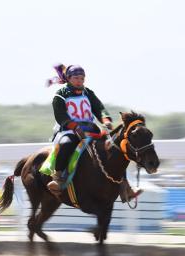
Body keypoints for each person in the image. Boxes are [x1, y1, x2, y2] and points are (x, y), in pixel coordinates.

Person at [46, 63, 142, 202]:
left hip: (91, 128)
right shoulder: (60, 95)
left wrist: (106, 119)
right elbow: (61, 116)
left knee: (115, 150)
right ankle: (59, 178)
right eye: (77, 78)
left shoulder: (88, 92)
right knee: (66, 145)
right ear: (69, 78)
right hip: (69, 130)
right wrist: (74, 126)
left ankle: (125, 187)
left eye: (82, 78)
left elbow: (99, 108)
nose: (80, 81)